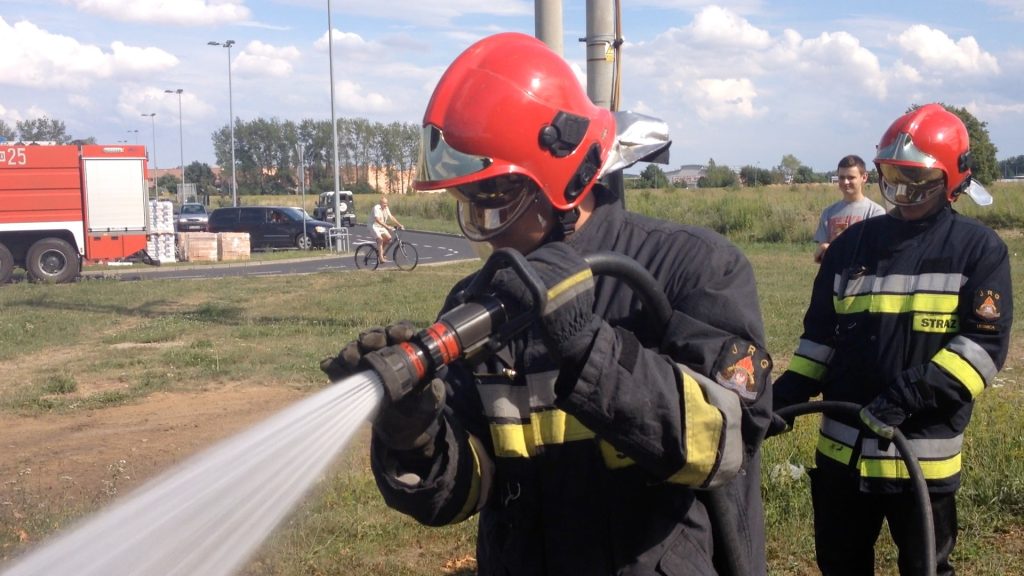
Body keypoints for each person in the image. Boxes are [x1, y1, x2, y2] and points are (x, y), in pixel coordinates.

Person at [321, 32, 773, 575]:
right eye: (469, 207)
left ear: (567, 180)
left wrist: (588, 347)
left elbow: (725, 445)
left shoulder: (692, 268)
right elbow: (470, 488)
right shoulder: (476, 304)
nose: (484, 234)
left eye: (495, 205)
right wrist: (414, 437)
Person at [770, 103, 1012, 575]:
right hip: (842, 454)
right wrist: (781, 399)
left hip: (921, 459)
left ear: (951, 181)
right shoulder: (849, 247)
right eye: (893, 177)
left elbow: (982, 350)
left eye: (916, 180)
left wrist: (908, 395)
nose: (903, 193)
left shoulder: (979, 250)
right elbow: (819, 341)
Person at [813, 155, 885, 263]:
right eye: (842, 177)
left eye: (851, 177)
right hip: (833, 277)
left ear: (864, 177)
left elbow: (876, 251)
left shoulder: (875, 212)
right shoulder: (828, 213)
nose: (846, 182)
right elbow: (821, 252)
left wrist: (835, 248)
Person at [371, 195, 403, 262]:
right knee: (380, 240)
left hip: (381, 226)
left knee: (388, 239)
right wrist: (387, 227)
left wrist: (399, 224)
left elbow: (391, 217)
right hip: (373, 226)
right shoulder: (376, 208)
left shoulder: (386, 208)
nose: (385, 205)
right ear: (380, 203)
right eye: (384, 203)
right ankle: (381, 258)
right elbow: (377, 220)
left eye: (386, 203)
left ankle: (381, 253)